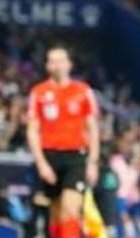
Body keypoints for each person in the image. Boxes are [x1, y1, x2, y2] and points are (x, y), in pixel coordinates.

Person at [27, 46, 100, 238]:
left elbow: (93, 128)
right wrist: (41, 163)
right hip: (49, 156)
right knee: (56, 214)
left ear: (69, 64)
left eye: (61, 60)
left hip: (75, 156)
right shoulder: (38, 93)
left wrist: (92, 162)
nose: (57, 65)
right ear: (47, 66)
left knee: (70, 208)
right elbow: (32, 130)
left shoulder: (83, 91)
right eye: (52, 61)